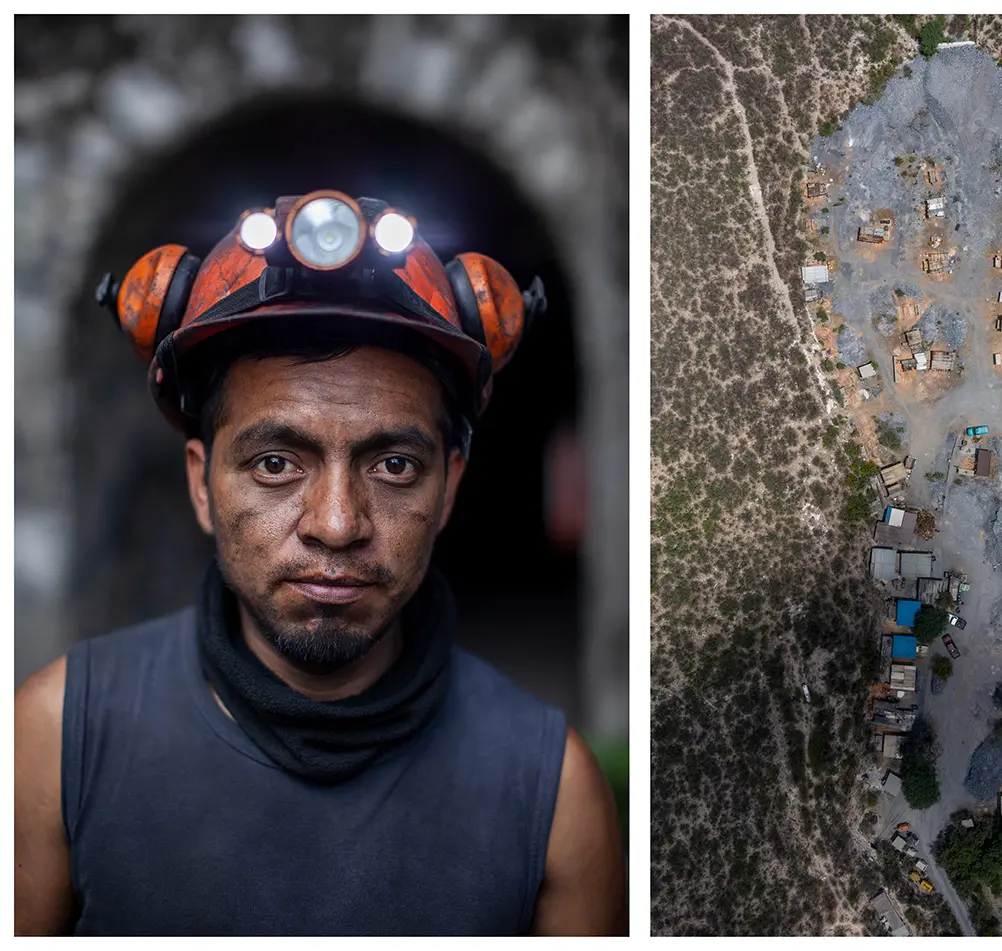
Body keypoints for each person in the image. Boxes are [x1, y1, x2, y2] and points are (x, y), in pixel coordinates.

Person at [14, 191, 626, 935]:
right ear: (201, 486)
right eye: (276, 461)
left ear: (449, 490)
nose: (337, 524)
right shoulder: (51, 740)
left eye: (395, 465)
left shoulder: (553, 791)